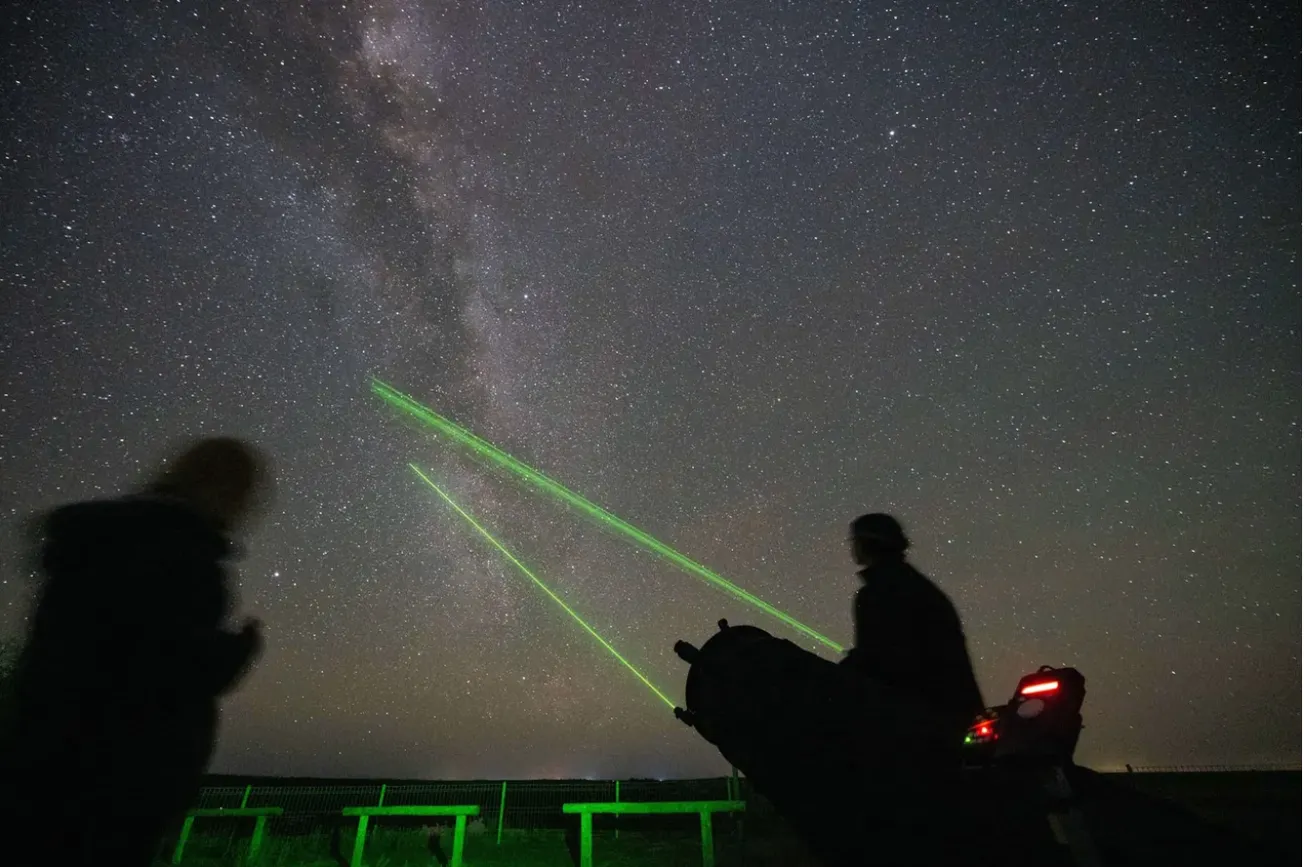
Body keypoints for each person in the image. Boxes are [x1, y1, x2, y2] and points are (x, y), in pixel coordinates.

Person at [0, 437, 271, 867]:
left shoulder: (97, 541)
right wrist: (238, 650)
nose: (247, 508)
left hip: (47, 771)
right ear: (218, 486)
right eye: (244, 494)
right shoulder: (182, 551)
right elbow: (169, 665)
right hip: (113, 789)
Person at [842, 513, 984, 755]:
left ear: (866, 543)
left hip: (920, 723)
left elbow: (878, 659)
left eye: (853, 541)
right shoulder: (918, 586)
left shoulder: (878, 592)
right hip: (955, 716)